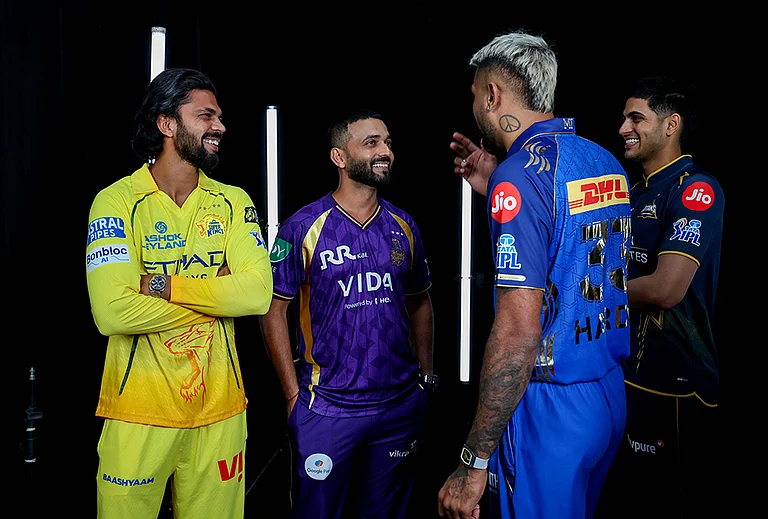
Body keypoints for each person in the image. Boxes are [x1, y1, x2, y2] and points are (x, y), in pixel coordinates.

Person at [437, 30, 632, 519]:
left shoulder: (520, 176)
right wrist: (501, 187)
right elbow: (568, 243)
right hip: (607, 392)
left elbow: (518, 334)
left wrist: (473, 460)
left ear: (493, 95)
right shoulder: (600, 157)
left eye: (475, 92)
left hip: (550, 404)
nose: (475, 105)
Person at [85, 67, 273, 519]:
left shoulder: (234, 201)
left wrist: (163, 286)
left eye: (220, 116)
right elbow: (112, 312)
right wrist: (217, 296)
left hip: (222, 411)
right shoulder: (114, 202)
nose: (221, 126)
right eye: (206, 115)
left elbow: (257, 296)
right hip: (137, 412)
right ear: (167, 124)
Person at [259, 108, 435, 519]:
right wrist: (291, 396)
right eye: (371, 143)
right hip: (327, 409)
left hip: (398, 406)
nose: (385, 152)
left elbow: (421, 301)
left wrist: (427, 378)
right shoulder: (301, 226)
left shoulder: (403, 224)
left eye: (388, 142)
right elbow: (272, 312)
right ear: (340, 157)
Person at [594, 75, 725, 519]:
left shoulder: (694, 188)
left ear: (671, 125)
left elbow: (667, 289)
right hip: (623, 376)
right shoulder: (633, 192)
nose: (623, 128)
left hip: (676, 387)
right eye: (623, 117)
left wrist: (592, 295)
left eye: (636, 118)